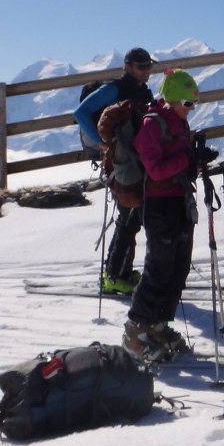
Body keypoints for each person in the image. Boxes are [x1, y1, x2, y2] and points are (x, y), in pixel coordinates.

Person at [122, 70, 215, 362]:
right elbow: (156, 170)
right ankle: (136, 331)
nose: (191, 109)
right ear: (172, 99)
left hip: (180, 201)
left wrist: (196, 161)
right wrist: (187, 159)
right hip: (159, 204)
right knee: (159, 268)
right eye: (187, 103)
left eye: (194, 104)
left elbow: (179, 165)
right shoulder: (153, 124)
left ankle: (158, 325)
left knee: (178, 267)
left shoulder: (179, 123)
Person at [74, 47, 156, 294]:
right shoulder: (115, 89)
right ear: (127, 67)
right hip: (121, 160)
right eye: (141, 67)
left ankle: (116, 272)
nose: (146, 71)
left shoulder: (141, 90)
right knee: (130, 215)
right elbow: (80, 113)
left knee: (130, 215)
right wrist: (102, 142)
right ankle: (115, 275)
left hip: (134, 157)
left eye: (149, 66)